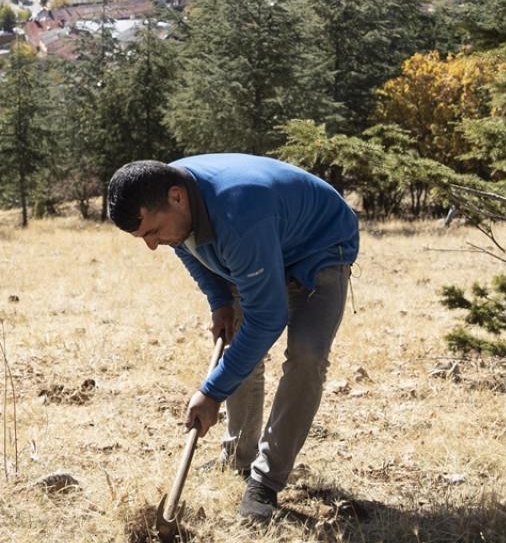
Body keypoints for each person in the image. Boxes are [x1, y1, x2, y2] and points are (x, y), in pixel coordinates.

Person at [106, 154, 358, 521]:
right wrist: (220, 300)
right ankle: (239, 455)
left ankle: (265, 482)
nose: (152, 245)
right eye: (142, 237)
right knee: (238, 335)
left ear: (177, 197)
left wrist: (211, 392)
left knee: (307, 354)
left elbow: (267, 319)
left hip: (319, 247)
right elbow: (184, 246)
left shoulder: (239, 213)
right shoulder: (167, 192)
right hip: (261, 240)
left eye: (152, 232)